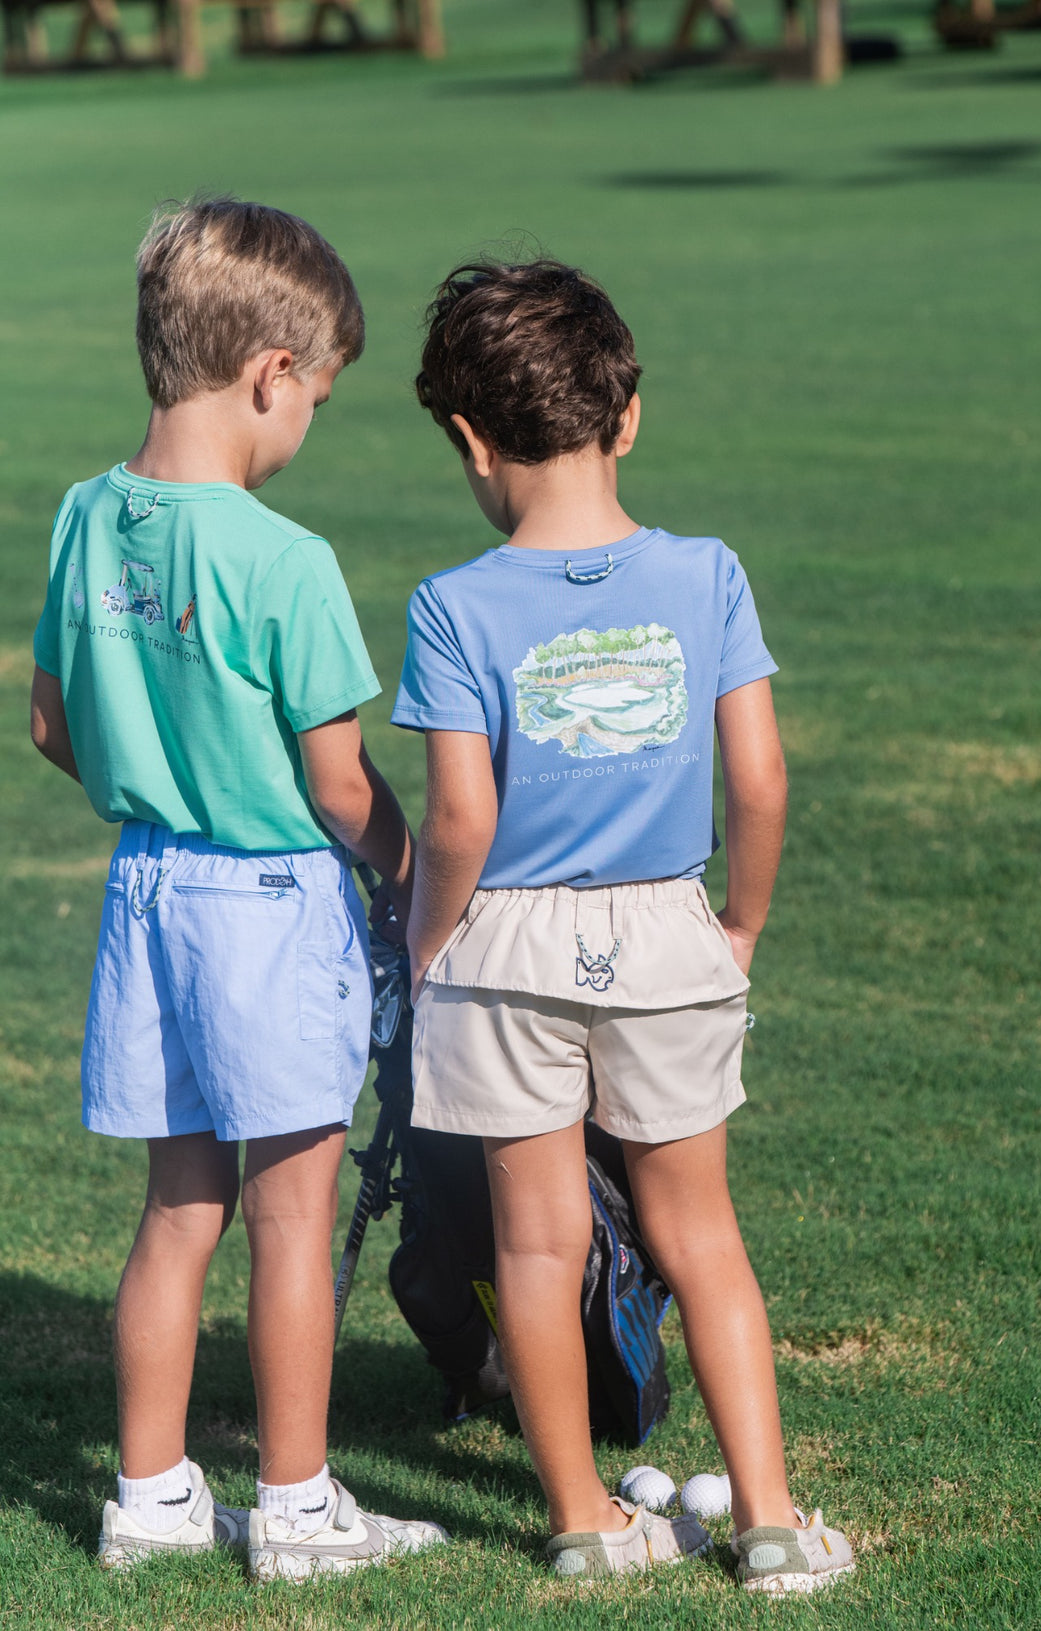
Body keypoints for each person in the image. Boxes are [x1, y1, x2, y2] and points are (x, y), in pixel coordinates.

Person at [391, 258, 855, 1593]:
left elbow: (462, 821)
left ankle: (588, 1523)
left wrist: (431, 937)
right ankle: (767, 1517)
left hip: (504, 949)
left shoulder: (453, 604)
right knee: (699, 1232)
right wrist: (742, 930)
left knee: (541, 1242)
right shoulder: (706, 575)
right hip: (667, 937)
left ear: (470, 440)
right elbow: (759, 780)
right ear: (629, 415)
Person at [29, 198, 446, 1582]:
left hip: (146, 892)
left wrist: (143, 782)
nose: (308, 420)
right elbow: (338, 786)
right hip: (270, 908)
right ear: (273, 372)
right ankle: (299, 1504)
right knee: (291, 1220)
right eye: (317, 397)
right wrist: (406, 866)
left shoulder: (86, 517)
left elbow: (50, 725)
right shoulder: (286, 560)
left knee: (176, 1210)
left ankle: (147, 1496)